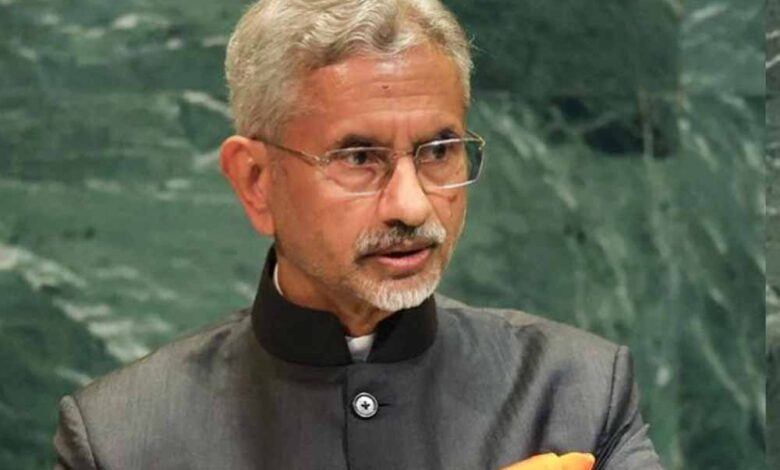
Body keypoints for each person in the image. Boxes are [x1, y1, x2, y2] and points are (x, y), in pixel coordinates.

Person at [53, 1, 664, 469]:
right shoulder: (120, 438)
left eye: (439, 151)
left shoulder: (580, 392)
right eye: (358, 158)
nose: (411, 204)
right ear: (256, 181)